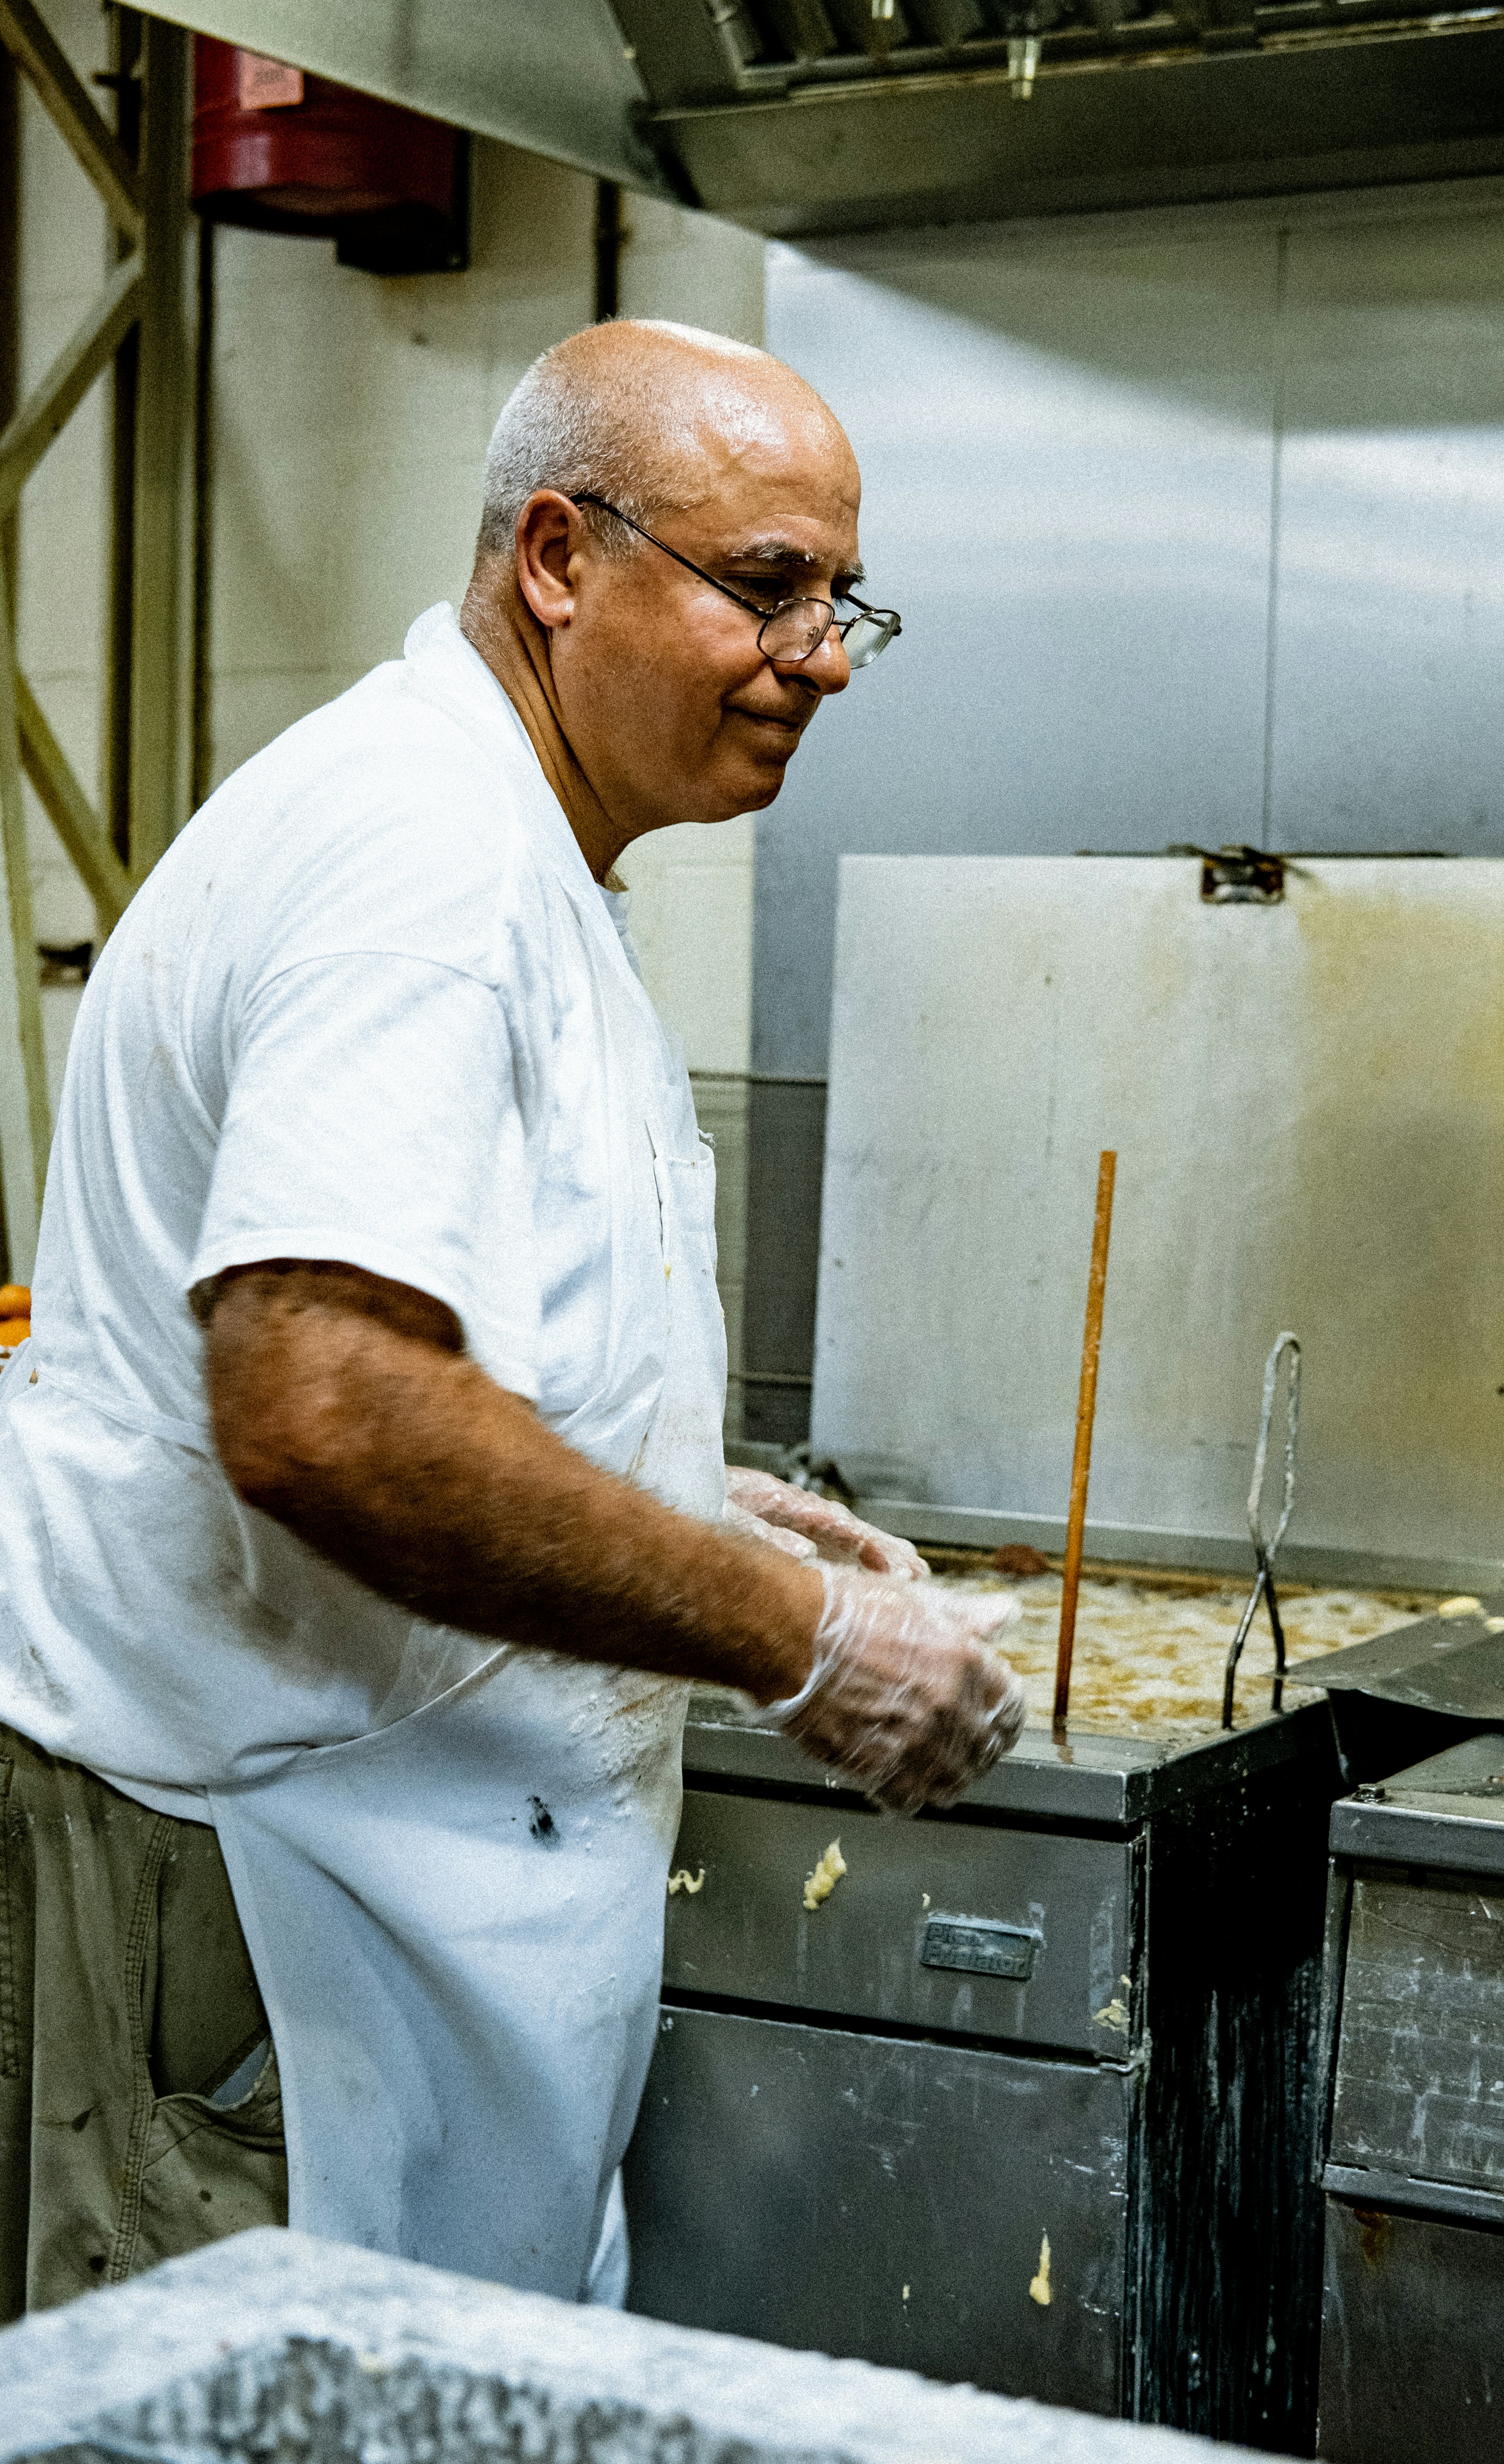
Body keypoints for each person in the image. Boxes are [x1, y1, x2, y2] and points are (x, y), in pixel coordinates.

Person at [0, 319, 1024, 2321]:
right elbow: (324, 1408)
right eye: (762, 586)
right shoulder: (426, 866)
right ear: (555, 554)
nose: (817, 655)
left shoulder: (514, 849)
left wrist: (665, 1485)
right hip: (254, 1886)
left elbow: (421, 1332)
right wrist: (801, 1640)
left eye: (841, 597)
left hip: (378, 1866)